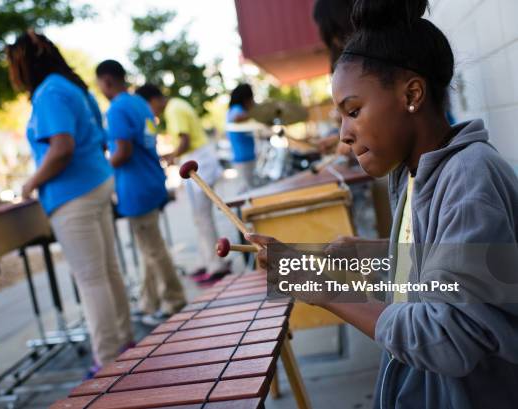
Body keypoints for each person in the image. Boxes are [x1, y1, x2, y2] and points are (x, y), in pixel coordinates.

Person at [249, 1, 518, 408]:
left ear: (412, 94)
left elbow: (450, 335)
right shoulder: (414, 173)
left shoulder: (470, 177)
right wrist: (363, 257)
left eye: (353, 111)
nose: (344, 136)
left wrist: (322, 289)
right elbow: (435, 277)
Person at [6, 32, 132, 372]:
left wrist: (31, 183)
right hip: (96, 182)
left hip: (73, 194)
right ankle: (125, 343)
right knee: (107, 271)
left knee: (91, 279)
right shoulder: (72, 86)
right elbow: (98, 139)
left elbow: (61, 148)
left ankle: (108, 361)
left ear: (24, 64)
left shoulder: (49, 92)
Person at [95, 60, 186, 326]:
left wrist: (101, 169)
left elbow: (122, 152)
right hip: (152, 181)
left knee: (154, 250)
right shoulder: (140, 105)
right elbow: (147, 141)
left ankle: (174, 300)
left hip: (135, 188)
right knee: (149, 247)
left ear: (107, 81)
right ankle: (149, 302)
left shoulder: (116, 109)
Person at [135, 83, 229, 283]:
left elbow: (184, 141)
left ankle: (216, 265)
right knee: (200, 218)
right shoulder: (177, 104)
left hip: (199, 162)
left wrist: (171, 157)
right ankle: (207, 261)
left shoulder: (173, 109)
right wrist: (172, 155)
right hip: (200, 159)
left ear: (151, 100)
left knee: (203, 219)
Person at [226, 83, 257, 191]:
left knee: (247, 188)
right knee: (247, 190)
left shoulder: (234, 109)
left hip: (245, 156)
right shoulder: (237, 109)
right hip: (243, 157)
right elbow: (236, 118)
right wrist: (257, 112)